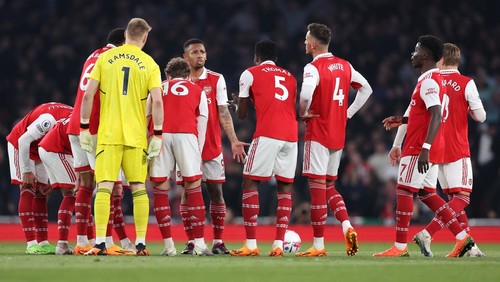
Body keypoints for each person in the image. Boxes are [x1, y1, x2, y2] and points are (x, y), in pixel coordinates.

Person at [374, 35, 475, 257]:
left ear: (426, 56)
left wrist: (425, 148)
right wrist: (402, 119)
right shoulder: (428, 80)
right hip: (427, 147)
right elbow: (424, 115)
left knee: (403, 190)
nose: (413, 54)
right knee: (427, 193)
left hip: (419, 146)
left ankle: (400, 247)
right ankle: (462, 237)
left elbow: (436, 114)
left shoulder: (429, 81)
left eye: (416, 50)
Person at [79, 18, 164, 256]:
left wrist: (84, 127)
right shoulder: (150, 63)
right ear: (144, 38)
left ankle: (99, 243)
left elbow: (88, 95)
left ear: (126, 34)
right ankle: (140, 244)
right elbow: (157, 101)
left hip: (108, 134)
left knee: (104, 186)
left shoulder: (104, 59)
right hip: (136, 136)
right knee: (138, 188)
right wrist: (157, 133)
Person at [296, 23, 372, 257]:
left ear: (313, 44)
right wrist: (347, 113)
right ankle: (347, 226)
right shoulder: (345, 65)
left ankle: (318, 245)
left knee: (317, 188)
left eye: (307, 38)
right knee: (329, 186)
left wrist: (302, 112)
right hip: (337, 134)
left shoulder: (313, 67)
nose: (304, 41)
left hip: (318, 131)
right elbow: (366, 89)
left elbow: (306, 94)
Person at [67, 27, 135, 256]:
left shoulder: (92, 55)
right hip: (95, 127)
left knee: (85, 184)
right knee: (108, 184)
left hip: (75, 125)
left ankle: (82, 241)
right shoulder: (114, 59)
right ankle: (104, 241)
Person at [178, 38, 248, 255]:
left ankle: (218, 241)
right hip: (186, 147)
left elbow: (224, 112)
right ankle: (192, 242)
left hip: (211, 146)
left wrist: (234, 140)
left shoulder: (216, 79)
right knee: (187, 194)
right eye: (195, 52)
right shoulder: (178, 81)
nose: (200, 55)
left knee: (216, 192)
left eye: (203, 52)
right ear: (185, 57)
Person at [229, 40, 297, 257]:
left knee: (250, 181)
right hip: (291, 136)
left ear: (256, 57)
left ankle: (250, 244)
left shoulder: (250, 73)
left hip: (268, 133)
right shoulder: (291, 77)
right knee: (285, 187)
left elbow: (242, 114)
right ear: (276, 59)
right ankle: (278, 244)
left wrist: (237, 104)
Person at [149, 57, 211, 256]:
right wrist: (197, 152)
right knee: (193, 186)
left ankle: (169, 246)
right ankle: (200, 244)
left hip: (161, 134)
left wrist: (148, 141)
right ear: (188, 76)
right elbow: (202, 123)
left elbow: (147, 116)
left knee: (160, 189)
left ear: (168, 75)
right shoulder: (197, 90)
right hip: (187, 135)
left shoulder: (158, 87)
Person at [6, 102, 72, 254]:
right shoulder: (48, 120)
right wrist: (26, 171)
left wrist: (53, 179)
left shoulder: (72, 121)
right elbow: (24, 140)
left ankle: (42, 242)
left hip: (41, 147)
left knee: (41, 192)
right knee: (27, 188)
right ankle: (31, 244)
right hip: (20, 144)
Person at [38, 117, 76, 255]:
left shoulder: (74, 115)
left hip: (47, 148)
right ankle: (67, 243)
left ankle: (67, 243)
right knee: (76, 193)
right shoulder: (88, 118)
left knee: (71, 193)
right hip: (56, 149)